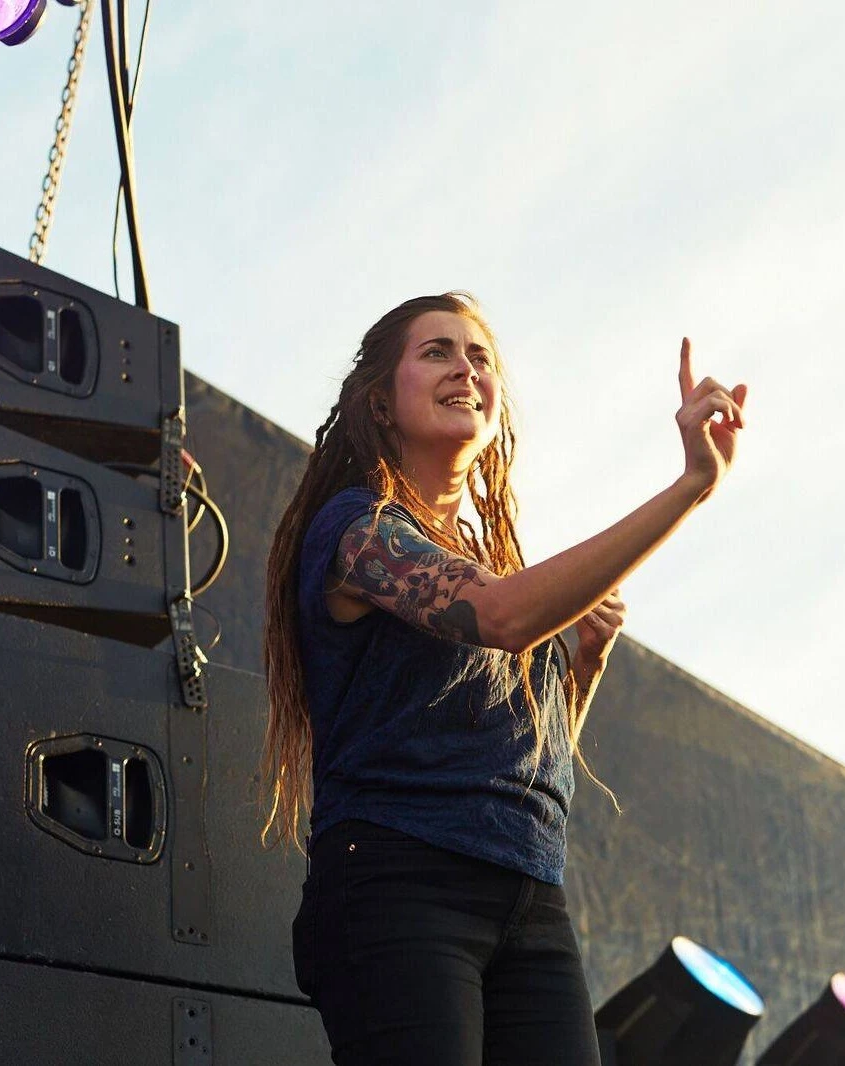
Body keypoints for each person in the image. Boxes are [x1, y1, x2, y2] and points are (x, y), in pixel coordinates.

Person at [259, 292, 747, 1065]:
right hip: (399, 883)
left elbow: (532, 755)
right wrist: (689, 486)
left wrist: (583, 661)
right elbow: (502, 618)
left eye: (480, 356)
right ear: (380, 402)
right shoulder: (360, 532)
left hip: (528, 895)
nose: (466, 368)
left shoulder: (492, 572)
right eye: (438, 352)